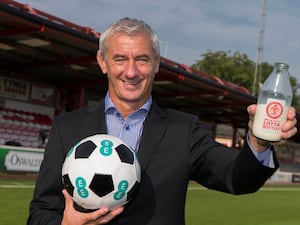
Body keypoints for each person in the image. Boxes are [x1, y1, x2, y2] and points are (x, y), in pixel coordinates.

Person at [27, 17, 297, 225]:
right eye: (120, 59)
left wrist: (259, 143)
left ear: (157, 63)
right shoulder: (68, 127)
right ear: (103, 62)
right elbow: (40, 212)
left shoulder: (184, 129)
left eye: (142, 60)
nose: (131, 72)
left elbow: (237, 179)